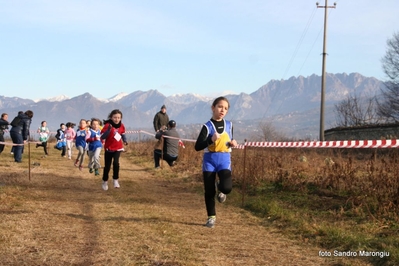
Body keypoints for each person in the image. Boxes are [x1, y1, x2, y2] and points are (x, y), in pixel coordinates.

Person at [194, 96, 237, 228]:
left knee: (227, 188)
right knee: (209, 191)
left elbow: (229, 140)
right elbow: (197, 146)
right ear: (213, 108)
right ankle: (211, 217)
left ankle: (221, 188)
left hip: (224, 160)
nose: (222, 110)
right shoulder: (207, 127)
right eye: (219, 107)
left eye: (225, 108)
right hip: (210, 161)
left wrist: (232, 143)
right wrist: (210, 140)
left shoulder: (229, 125)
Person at [100, 109, 128, 191]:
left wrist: (125, 140)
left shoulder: (122, 125)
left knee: (116, 163)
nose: (117, 119)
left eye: (119, 117)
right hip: (109, 148)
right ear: (111, 117)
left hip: (118, 147)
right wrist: (109, 130)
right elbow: (103, 137)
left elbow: (123, 134)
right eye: (115, 117)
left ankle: (115, 179)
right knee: (107, 166)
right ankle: (105, 181)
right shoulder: (107, 125)